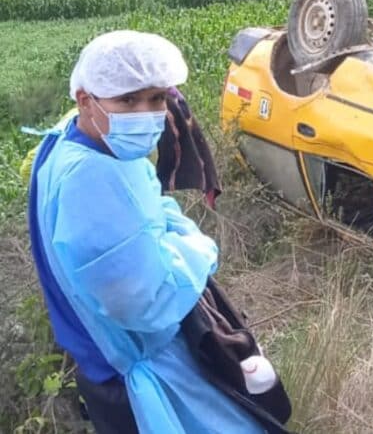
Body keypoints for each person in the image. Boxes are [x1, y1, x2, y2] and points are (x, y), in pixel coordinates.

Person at [26, 30, 265, 434]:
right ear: (85, 99)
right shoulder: (90, 180)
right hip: (130, 377)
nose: (144, 112)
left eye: (155, 98)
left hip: (107, 361)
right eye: (127, 100)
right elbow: (147, 304)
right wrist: (199, 248)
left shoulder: (82, 139)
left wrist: (167, 236)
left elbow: (151, 203)